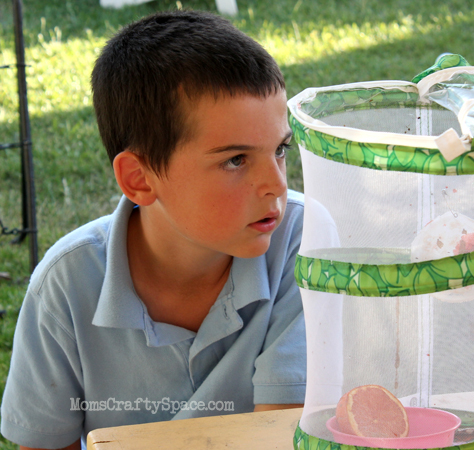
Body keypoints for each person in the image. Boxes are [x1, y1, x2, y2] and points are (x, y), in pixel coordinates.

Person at [1, 10, 306, 449]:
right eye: (235, 160)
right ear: (140, 179)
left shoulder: (304, 241)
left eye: (279, 150)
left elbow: (278, 437)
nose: (277, 185)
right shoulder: (64, 286)